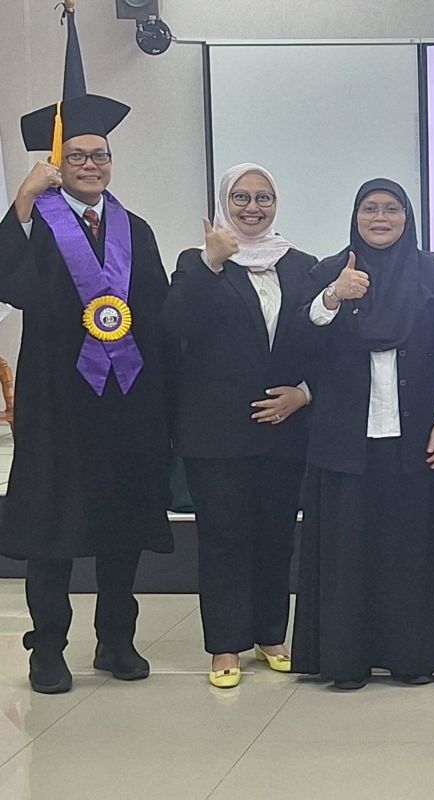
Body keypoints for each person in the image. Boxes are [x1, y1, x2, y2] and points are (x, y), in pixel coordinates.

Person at [0, 94, 174, 694]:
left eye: (100, 155)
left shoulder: (135, 229)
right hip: (57, 402)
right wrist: (22, 203)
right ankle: (47, 648)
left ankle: (116, 639)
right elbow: (11, 286)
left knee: (121, 524)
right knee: (53, 527)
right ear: (56, 162)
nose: (91, 165)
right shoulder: (39, 223)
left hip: (125, 402)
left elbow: (155, 311)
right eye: (77, 156)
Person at [291, 179, 434, 690]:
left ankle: (412, 657)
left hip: (415, 435)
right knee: (347, 553)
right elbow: (299, 344)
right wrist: (333, 297)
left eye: (392, 209)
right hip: (345, 439)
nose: (381, 218)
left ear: (407, 217)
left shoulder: (432, 273)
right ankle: (345, 661)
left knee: (410, 550)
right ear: (356, 216)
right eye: (370, 208)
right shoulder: (329, 271)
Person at [164, 163, 319, 688]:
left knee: (276, 537)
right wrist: (212, 261)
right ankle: (225, 645)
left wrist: (304, 394)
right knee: (224, 540)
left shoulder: (302, 266)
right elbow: (176, 324)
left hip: (285, 428)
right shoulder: (199, 262)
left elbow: (320, 343)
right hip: (217, 433)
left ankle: (271, 635)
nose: (253, 208)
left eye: (263, 197)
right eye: (242, 198)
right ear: (224, 202)